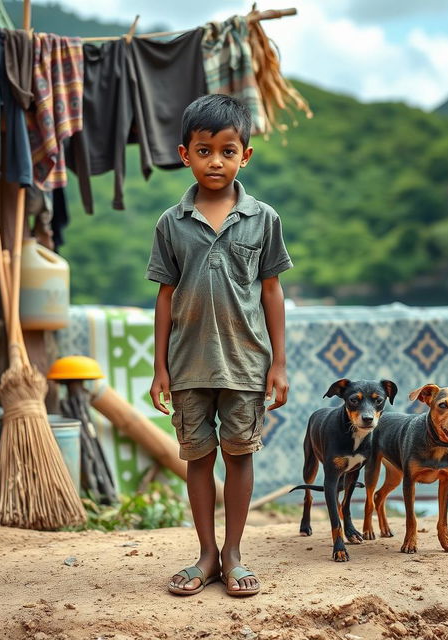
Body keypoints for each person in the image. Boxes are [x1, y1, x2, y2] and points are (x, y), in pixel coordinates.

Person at [146, 94, 292, 597]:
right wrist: (160, 367)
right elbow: (165, 297)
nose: (216, 160)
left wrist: (279, 364)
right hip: (187, 364)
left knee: (239, 455)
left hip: (246, 363)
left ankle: (233, 552)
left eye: (228, 151)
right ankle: (206, 554)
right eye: (205, 150)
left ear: (245, 155)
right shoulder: (171, 223)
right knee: (198, 458)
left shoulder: (263, 218)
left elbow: (271, 291)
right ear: (185, 154)